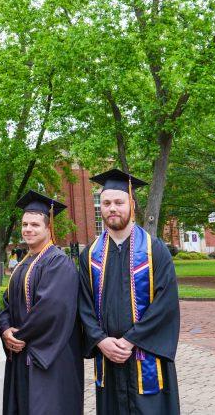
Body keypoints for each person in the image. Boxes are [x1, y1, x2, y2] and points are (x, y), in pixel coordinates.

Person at [79, 169, 180, 414]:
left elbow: (165, 305)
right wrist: (101, 341)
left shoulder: (154, 250)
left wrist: (130, 340)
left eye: (118, 202)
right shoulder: (90, 255)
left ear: (132, 204)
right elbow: (84, 305)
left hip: (145, 357)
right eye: (106, 203)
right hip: (108, 358)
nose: (112, 208)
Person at [0, 189, 83, 415]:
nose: (28, 229)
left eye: (35, 225)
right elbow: (6, 304)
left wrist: (18, 337)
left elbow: (51, 310)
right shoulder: (22, 264)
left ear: (49, 227)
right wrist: (5, 329)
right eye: (25, 224)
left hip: (47, 356)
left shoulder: (57, 262)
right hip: (21, 352)